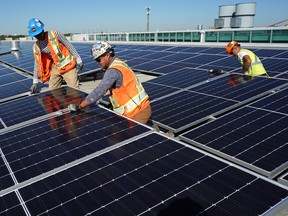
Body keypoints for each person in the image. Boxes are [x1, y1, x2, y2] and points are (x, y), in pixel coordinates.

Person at [68, 41, 152, 125]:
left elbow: (99, 91)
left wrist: (80, 106)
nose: (98, 63)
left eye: (98, 59)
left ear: (107, 55)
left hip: (137, 112)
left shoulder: (112, 71)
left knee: (129, 136)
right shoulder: (118, 63)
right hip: (141, 108)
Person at [27, 18, 84, 93]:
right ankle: (62, 104)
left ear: (43, 30)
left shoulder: (54, 34)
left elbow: (68, 44)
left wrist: (78, 58)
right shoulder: (37, 46)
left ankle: (75, 104)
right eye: (36, 36)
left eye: (39, 34)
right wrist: (35, 81)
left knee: (74, 90)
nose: (38, 37)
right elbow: (37, 63)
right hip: (55, 67)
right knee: (53, 91)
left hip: (68, 65)